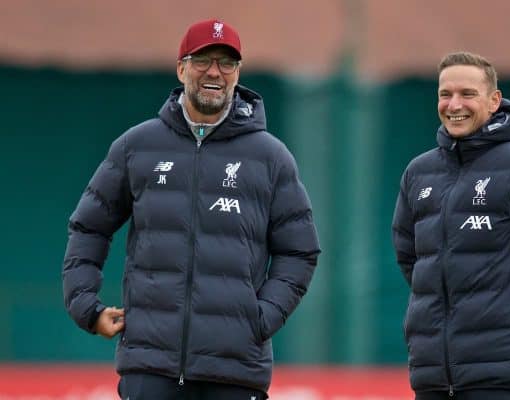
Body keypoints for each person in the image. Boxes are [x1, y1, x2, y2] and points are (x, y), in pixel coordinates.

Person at [62, 18, 320, 400]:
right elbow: (89, 228)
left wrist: (260, 317)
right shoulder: (137, 146)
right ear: (181, 68)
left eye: (226, 62)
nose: (214, 72)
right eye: (202, 60)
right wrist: (87, 306)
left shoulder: (271, 157)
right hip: (149, 367)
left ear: (238, 73)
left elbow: (299, 251)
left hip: (235, 371)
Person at [391, 51, 510, 400]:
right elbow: (412, 260)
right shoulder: (419, 173)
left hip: (503, 378)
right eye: (445, 94)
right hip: (431, 378)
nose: (454, 104)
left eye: (467, 93)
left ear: (494, 100)